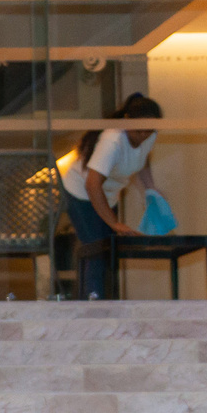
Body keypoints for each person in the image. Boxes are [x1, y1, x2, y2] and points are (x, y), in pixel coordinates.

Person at [61, 92, 163, 299]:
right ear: (126, 122)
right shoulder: (113, 140)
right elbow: (92, 184)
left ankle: (103, 302)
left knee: (109, 253)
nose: (143, 135)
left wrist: (150, 188)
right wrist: (115, 223)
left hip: (107, 195)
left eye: (148, 130)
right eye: (139, 130)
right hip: (81, 192)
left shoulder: (149, 135)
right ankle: (92, 309)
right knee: (96, 250)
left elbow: (142, 158)